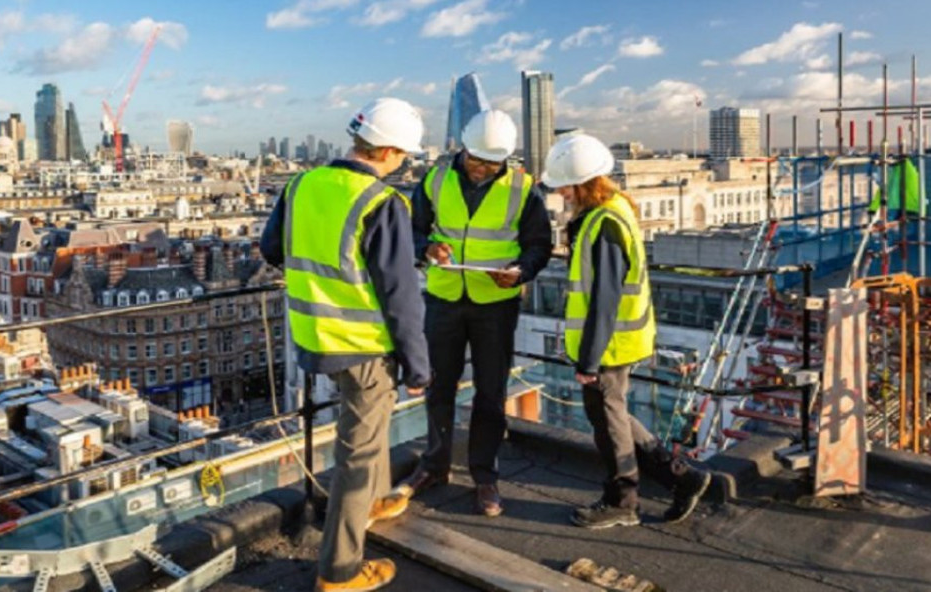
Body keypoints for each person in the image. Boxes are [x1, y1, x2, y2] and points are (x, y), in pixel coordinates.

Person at [260, 98, 431, 592]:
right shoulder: (382, 201)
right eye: (405, 156)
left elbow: (273, 249)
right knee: (356, 456)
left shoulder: (303, 183)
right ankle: (339, 572)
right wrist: (418, 366)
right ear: (391, 150)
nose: (405, 164)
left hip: (312, 334)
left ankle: (373, 503)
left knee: (366, 432)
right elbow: (400, 296)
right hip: (362, 344)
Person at [539, 133, 711, 529]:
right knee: (612, 413)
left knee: (608, 420)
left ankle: (623, 501)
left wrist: (589, 358)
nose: (561, 192)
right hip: (617, 339)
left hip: (610, 343)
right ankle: (682, 478)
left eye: (565, 184)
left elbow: (604, 297)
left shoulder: (603, 223)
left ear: (583, 183)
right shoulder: (612, 210)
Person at [394, 109, 553, 517]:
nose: (482, 169)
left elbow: (539, 245)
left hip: (495, 305)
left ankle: (485, 475)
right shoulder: (435, 179)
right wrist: (426, 249)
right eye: (477, 159)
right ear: (462, 148)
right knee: (438, 385)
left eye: (492, 162)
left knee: (491, 391)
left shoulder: (524, 188)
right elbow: (414, 231)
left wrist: (520, 273)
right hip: (445, 296)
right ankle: (435, 464)